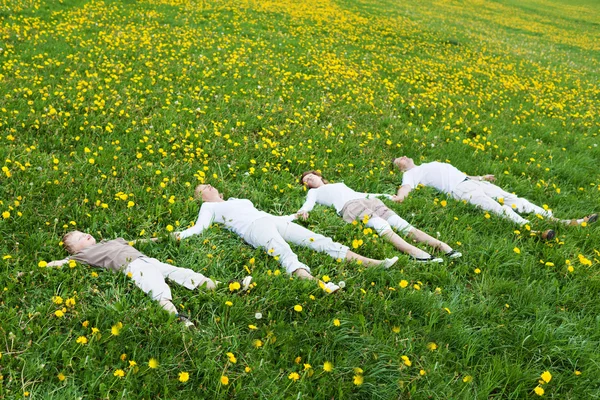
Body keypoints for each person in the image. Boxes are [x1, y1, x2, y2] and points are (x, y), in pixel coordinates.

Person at [175, 184, 399, 294]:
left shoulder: (235, 199)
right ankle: (313, 282)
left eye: (206, 184)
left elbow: (268, 214)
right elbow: (198, 228)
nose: (207, 186)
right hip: (253, 228)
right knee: (283, 251)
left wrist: (293, 215)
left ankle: (373, 263)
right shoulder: (209, 206)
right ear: (200, 197)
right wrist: (177, 236)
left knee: (318, 239)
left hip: (270, 220)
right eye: (202, 188)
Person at [47, 231, 228, 328]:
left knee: (182, 272)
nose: (85, 235)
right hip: (132, 266)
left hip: (148, 260)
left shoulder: (111, 241)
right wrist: (38, 268)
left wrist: (164, 238)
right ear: (76, 250)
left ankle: (223, 287)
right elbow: (60, 263)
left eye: (83, 232)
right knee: (156, 286)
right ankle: (177, 318)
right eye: (79, 238)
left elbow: (138, 241)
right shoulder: (83, 255)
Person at [392, 156, 597, 237]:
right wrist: (401, 197)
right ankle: (532, 231)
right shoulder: (410, 174)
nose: (402, 157)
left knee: (518, 201)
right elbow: (406, 188)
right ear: (400, 167)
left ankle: (561, 220)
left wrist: (481, 177)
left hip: (472, 182)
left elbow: (459, 173)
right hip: (461, 191)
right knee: (498, 209)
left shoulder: (427, 164)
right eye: (398, 159)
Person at [297, 171, 461, 263]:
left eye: (310, 176)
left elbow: (362, 193)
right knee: (381, 226)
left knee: (402, 224)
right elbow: (308, 204)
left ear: (319, 175)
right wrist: (303, 211)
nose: (309, 180)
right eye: (306, 181)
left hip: (368, 201)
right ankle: (416, 254)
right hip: (351, 207)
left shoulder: (338, 184)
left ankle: (443, 247)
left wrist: (387, 196)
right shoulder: (314, 192)